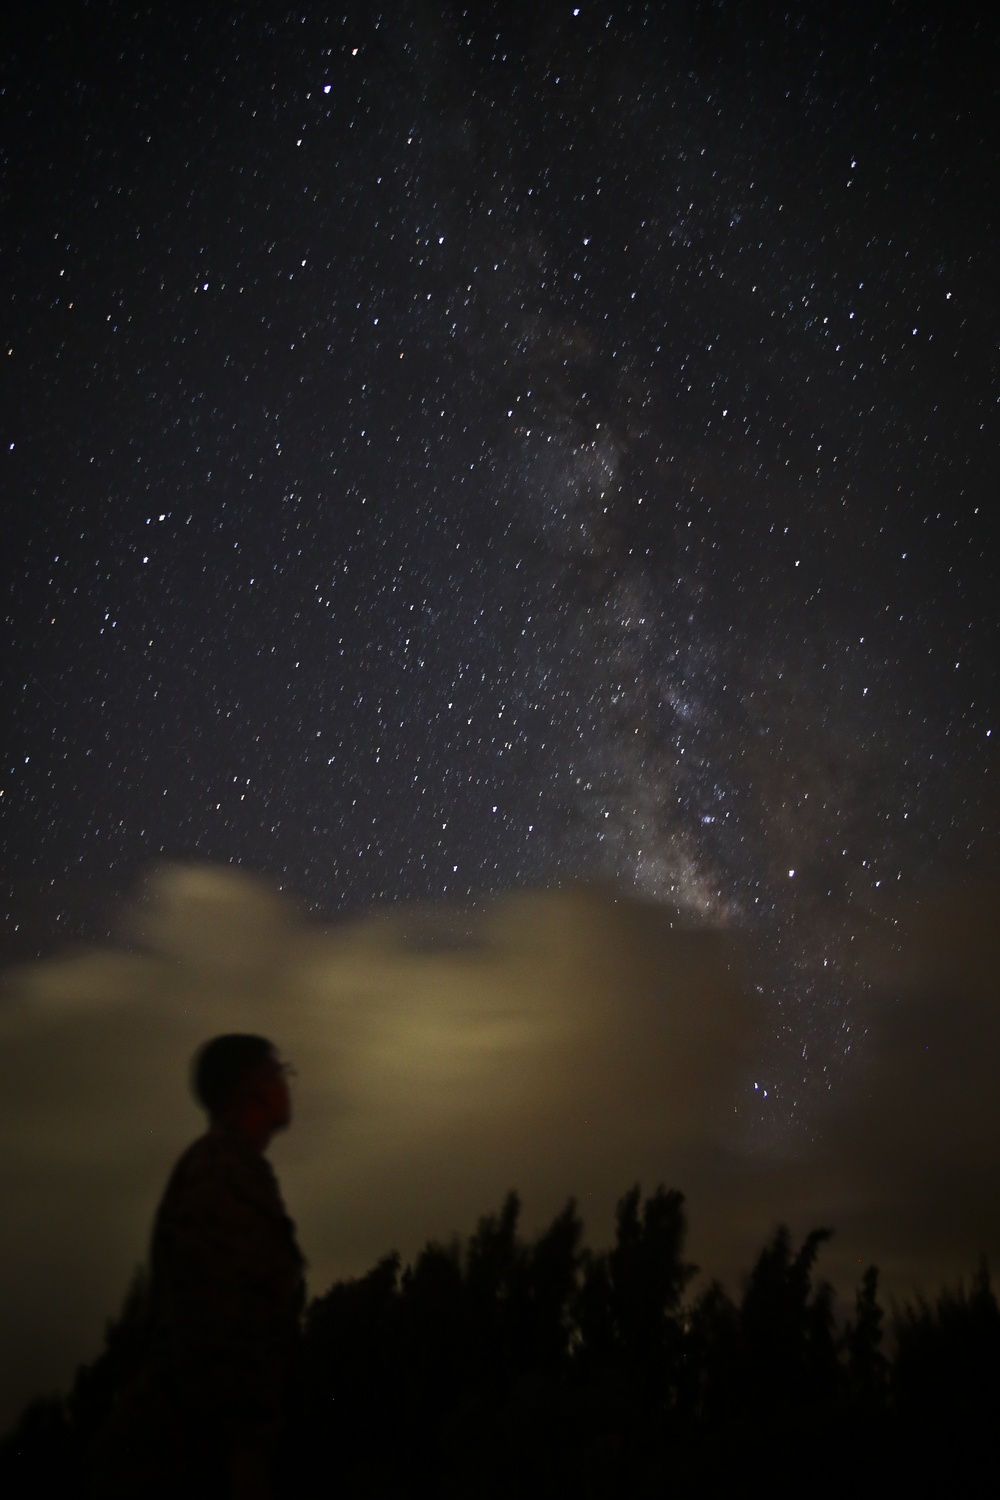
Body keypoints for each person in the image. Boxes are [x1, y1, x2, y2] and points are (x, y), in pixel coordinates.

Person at [92, 1035, 305, 1500]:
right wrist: (245, 1456)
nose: (288, 1086)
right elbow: (218, 1322)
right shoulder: (223, 1173)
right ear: (255, 1088)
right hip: (192, 1458)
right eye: (280, 1073)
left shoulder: (235, 1168)